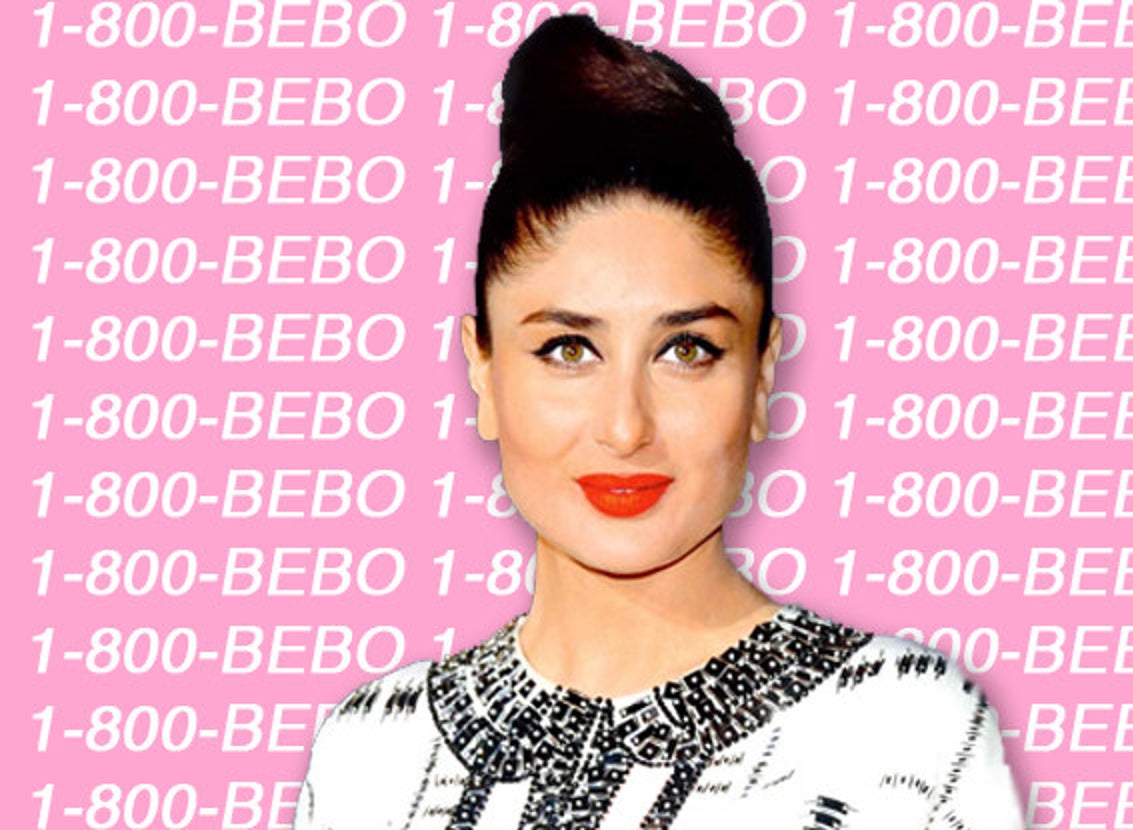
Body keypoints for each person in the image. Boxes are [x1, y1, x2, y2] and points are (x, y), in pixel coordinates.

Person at [294, 15, 1022, 829]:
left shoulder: (907, 729)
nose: (626, 426)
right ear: (484, 370)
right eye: (569, 349)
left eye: (686, 350)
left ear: (762, 374)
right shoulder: (368, 753)